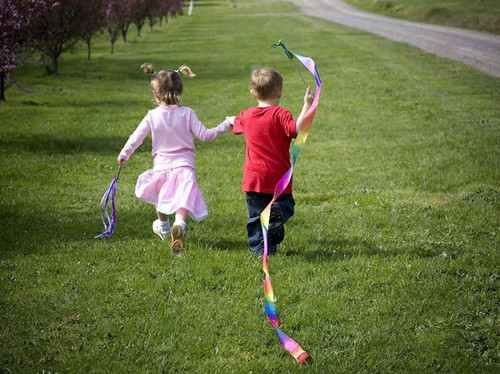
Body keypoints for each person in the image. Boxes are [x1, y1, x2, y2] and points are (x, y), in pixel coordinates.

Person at [118, 63, 232, 254]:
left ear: (155, 93)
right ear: (180, 90)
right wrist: (226, 124)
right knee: (183, 200)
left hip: (162, 166)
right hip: (185, 167)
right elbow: (205, 135)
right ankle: (179, 225)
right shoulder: (187, 113)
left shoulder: (152, 116)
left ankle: (163, 226)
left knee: (160, 197)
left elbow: (136, 138)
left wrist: (124, 154)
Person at [228, 67, 314, 256]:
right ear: (280, 92)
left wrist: (230, 119)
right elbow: (297, 129)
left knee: (257, 218)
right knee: (286, 206)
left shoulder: (247, 115)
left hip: (254, 180)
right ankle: (277, 210)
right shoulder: (281, 114)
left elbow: (236, 121)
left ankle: (263, 251)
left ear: (253, 94)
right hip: (278, 179)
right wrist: (307, 104)